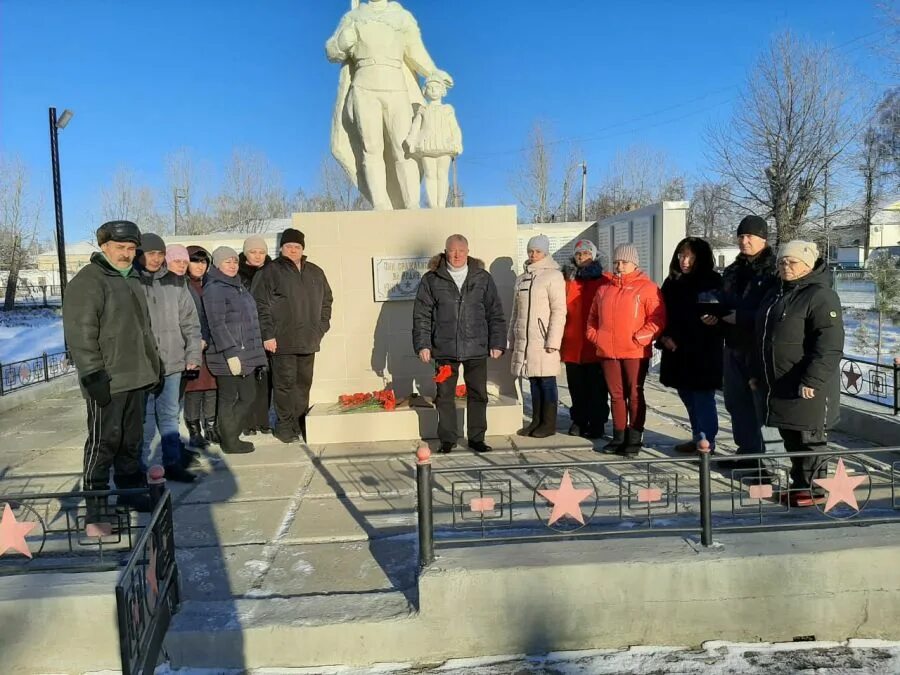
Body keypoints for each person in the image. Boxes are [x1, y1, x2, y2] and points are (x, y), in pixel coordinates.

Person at [62, 220, 161, 525]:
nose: (127, 254)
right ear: (104, 247)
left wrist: (153, 367)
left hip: (137, 377)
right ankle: (96, 506)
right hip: (108, 380)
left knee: (131, 441)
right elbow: (81, 333)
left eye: (131, 248)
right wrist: (93, 375)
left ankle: (130, 492)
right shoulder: (89, 280)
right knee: (104, 443)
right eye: (120, 247)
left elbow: (142, 330)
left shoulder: (132, 277)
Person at [326, 0, 450, 210]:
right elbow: (332, 52)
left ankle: (411, 203)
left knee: (403, 148)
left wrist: (433, 72)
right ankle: (380, 203)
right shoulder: (354, 17)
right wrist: (341, 42)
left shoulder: (401, 17)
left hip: (395, 85)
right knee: (371, 148)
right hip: (364, 86)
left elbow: (415, 52)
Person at [755, 241, 844, 507]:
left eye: (792, 262)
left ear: (807, 265)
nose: (785, 267)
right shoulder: (777, 292)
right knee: (792, 437)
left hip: (807, 385)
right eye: (782, 262)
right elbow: (764, 338)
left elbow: (828, 344)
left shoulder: (820, 295)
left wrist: (813, 379)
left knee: (809, 439)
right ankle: (800, 486)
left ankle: (814, 490)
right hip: (781, 382)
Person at [413, 234, 506, 453]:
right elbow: (421, 315)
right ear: (445, 252)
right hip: (444, 349)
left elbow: (495, 312)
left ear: (468, 251)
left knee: (478, 394)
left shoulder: (482, 278)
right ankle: (447, 439)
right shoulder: (432, 279)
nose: (456, 255)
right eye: (452, 251)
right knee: (445, 396)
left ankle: (477, 437)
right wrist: (423, 345)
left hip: (477, 348)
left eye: (461, 251)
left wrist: (498, 342)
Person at [705, 215, 780, 466]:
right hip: (733, 343)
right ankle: (746, 453)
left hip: (758, 348)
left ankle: (766, 460)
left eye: (750, 236)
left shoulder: (774, 269)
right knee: (736, 403)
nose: (744, 241)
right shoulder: (734, 270)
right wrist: (715, 316)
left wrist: (743, 317)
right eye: (741, 237)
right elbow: (724, 301)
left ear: (763, 238)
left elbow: (775, 309)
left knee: (760, 404)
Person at [251, 228, 333, 444]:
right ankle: (285, 427)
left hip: (308, 340)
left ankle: (299, 423)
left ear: (303, 249)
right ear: (281, 248)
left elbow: (327, 300)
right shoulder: (270, 271)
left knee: (303, 384)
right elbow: (260, 304)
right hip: (282, 341)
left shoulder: (315, 272)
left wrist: (321, 327)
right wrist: (267, 334)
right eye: (289, 246)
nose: (293, 250)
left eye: (297, 247)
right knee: (285, 385)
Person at [586, 243, 666, 456]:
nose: (619, 266)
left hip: (635, 351)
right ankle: (618, 436)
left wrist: (640, 337)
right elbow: (592, 317)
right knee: (616, 395)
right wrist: (595, 336)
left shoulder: (647, 288)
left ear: (634, 264)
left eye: (624, 262)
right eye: (616, 262)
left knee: (635, 393)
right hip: (608, 351)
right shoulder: (605, 289)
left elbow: (657, 318)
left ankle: (634, 437)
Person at [135, 232, 202, 482]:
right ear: (140, 254)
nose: (155, 258)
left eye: (160, 254)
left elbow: (190, 322)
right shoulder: (132, 281)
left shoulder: (176, 282)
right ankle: (137, 469)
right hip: (141, 364)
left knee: (169, 415)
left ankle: (172, 462)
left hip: (173, 360)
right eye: (150, 253)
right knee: (138, 421)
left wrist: (192, 354)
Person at [657, 237, 724, 453]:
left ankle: (707, 441)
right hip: (676, 350)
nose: (684, 261)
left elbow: (718, 310)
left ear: (700, 258)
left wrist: (715, 318)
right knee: (686, 395)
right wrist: (664, 336)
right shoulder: (672, 282)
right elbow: (660, 313)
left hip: (702, 350)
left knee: (702, 397)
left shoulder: (711, 280)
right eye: (681, 256)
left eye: (689, 257)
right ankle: (698, 436)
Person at [204, 247, 269, 454]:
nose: (232, 265)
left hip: (245, 354)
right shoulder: (214, 288)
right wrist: (231, 353)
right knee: (229, 398)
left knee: (248, 396)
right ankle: (230, 441)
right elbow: (217, 324)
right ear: (217, 265)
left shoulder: (237, 286)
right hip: (227, 355)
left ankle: (230, 433)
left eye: (234, 261)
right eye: (227, 262)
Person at [508, 235, 566, 438]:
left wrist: (553, 340)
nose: (533, 255)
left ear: (545, 252)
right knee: (533, 381)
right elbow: (516, 312)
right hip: (526, 340)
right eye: (531, 251)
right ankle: (536, 421)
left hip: (543, 340)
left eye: (538, 251)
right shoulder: (522, 278)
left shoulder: (553, 276)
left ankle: (548, 424)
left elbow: (559, 310)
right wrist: (512, 337)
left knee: (547, 381)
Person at [560, 239, 609, 439]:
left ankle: (597, 422)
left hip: (596, 343)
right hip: (572, 343)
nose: (582, 258)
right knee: (576, 387)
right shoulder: (567, 280)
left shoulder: (605, 280)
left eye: (586, 254)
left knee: (597, 388)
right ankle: (578, 420)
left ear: (594, 256)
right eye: (579, 254)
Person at [405, 70, 463, 208]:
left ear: (442, 90)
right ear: (425, 91)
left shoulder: (447, 109)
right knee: (430, 175)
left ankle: (441, 205)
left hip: (444, 144)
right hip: (427, 145)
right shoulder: (423, 109)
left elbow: (454, 127)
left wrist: (457, 141)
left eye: (436, 87)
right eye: (430, 88)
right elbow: (415, 126)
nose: (433, 91)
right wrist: (411, 140)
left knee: (442, 175)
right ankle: (433, 205)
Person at [183, 245, 219, 449]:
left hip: (213, 343)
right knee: (194, 388)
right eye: (195, 261)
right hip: (192, 343)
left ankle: (211, 426)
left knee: (212, 386)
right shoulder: (183, 285)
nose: (199, 265)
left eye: (203, 261)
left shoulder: (211, 284)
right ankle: (194, 429)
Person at [239, 235, 273, 436]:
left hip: (267, 332)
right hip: (245, 333)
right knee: (247, 378)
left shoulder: (272, 271)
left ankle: (263, 420)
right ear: (245, 253)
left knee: (265, 379)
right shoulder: (237, 273)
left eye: (261, 252)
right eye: (253, 252)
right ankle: (248, 421)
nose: (258, 256)